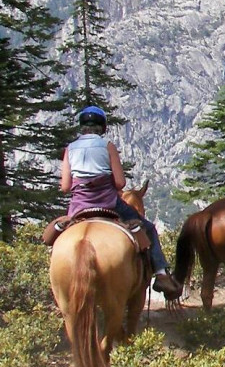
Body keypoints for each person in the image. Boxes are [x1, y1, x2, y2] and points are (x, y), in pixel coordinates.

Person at [60, 106, 182, 299]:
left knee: (57, 232)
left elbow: (65, 186)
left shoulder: (70, 148)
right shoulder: (107, 145)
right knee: (149, 228)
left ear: (81, 127)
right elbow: (120, 183)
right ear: (103, 127)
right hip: (107, 203)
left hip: (79, 206)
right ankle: (160, 274)